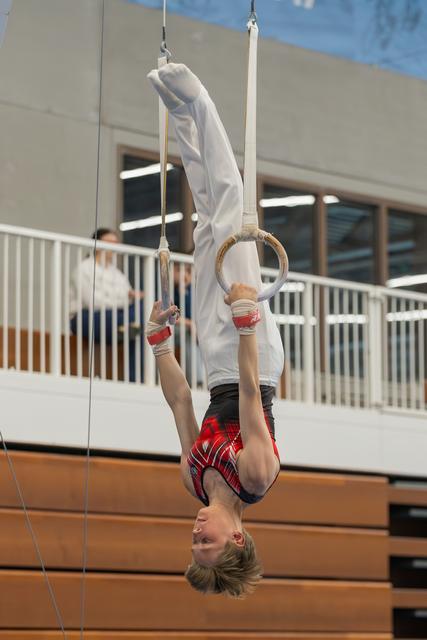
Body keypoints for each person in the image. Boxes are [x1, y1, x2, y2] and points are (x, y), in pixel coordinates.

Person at [146, 63, 284, 597]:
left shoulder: (193, 480)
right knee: (230, 208)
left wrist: (160, 345)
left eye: (193, 545)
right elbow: (251, 396)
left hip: (212, 364)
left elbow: (181, 403)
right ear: (239, 540)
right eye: (209, 544)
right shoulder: (255, 476)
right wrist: (248, 320)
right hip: (253, 358)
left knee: (207, 230)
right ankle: (197, 98)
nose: (197, 534)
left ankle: (179, 113)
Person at [69, 228, 144, 381]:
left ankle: (135, 379)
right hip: (86, 318)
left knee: (142, 313)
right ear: (97, 244)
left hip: (116, 318)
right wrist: (125, 299)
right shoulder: (84, 268)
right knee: (132, 322)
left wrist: (128, 299)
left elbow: (130, 298)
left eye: (116, 243)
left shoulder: (118, 274)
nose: (113, 247)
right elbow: (93, 302)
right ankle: (127, 326)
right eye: (109, 243)